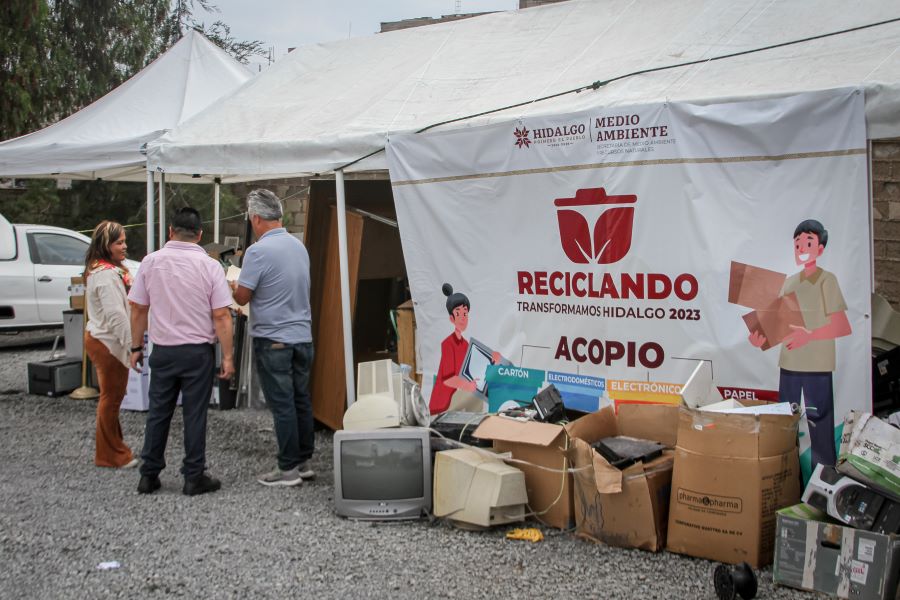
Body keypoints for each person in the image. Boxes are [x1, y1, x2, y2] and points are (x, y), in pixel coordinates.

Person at [128, 207, 235, 496]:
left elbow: (138, 307)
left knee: (158, 412)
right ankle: (193, 475)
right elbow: (222, 315)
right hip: (197, 351)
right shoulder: (210, 266)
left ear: (170, 231)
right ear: (200, 234)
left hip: (162, 349)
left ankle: (148, 474)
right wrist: (227, 356)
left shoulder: (150, 262)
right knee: (195, 413)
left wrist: (136, 346)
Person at [749, 219, 851, 470]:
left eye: (808, 242)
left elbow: (842, 326)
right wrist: (760, 337)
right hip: (790, 365)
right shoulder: (789, 283)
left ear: (820, 249)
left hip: (817, 367)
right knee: (786, 422)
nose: (802, 248)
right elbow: (777, 323)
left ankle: (824, 477)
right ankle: (786, 477)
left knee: (819, 420)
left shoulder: (827, 281)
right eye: (797, 244)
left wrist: (811, 336)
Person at [231, 189, 315, 487]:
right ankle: (303, 460)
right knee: (300, 399)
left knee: (282, 404)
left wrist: (232, 284)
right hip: (302, 335)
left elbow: (243, 295)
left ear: (255, 218)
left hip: (273, 337)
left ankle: (287, 468)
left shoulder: (257, 251)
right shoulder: (298, 246)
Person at [83, 221, 138, 469]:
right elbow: (116, 315)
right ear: (106, 245)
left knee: (113, 397)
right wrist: (132, 345)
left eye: (124, 241)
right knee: (111, 398)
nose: (124, 246)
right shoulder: (105, 275)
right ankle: (109, 454)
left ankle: (115, 448)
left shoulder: (110, 270)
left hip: (105, 338)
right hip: (107, 341)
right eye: (119, 242)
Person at [429, 283, 500, 415]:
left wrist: (493, 360)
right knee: (474, 396)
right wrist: (467, 385)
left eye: (465, 313)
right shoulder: (447, 343)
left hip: (458, 402)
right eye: (458, 313)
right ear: (451, 318)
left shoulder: (466, 344)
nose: (462, 317)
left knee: (478, 398)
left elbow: (475, 369)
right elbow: (448, 378)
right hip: (444, 404)